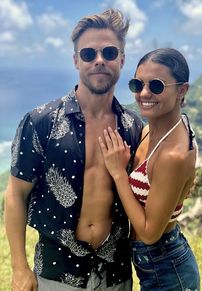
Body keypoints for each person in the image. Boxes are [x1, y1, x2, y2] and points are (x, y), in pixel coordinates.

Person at [4, 8, 143, 291]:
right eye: (89, 54)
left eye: (110, 53)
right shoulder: (42, 121)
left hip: (115, 273)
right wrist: (19, 267)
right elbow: (16, 194)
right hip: (57, 272)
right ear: (76, 61)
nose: (100, 61)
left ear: (122, 59)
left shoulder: (133, 127)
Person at [99, 48, 201, 290]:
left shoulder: (172, 154)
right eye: (137, 84)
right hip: (155, 263)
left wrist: (118, 173)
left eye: (156, 86)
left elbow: (149, 233)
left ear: (182, 90)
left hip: (167, 269)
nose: (144, 93)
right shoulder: (149, 130)